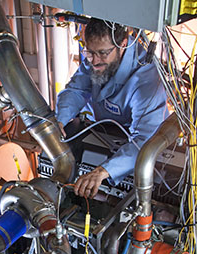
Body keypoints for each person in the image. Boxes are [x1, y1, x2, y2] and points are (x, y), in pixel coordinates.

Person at [56, 18, 168, 198]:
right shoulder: (95, 57)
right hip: (100, 133)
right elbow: (76, 90)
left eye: (102, 53)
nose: (94, 61)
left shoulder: (147, 81)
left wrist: (104, 171)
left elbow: (146, 142)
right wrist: (59, 121)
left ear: (123, 44)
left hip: (134, 152)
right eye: (90, 52)